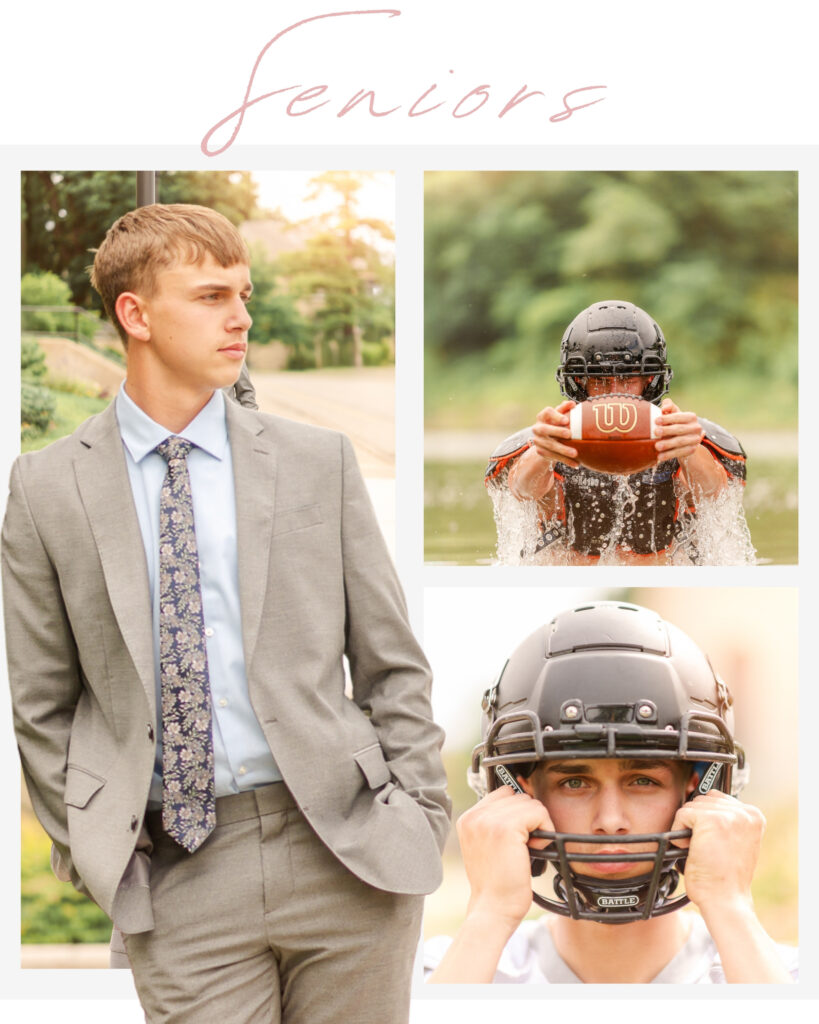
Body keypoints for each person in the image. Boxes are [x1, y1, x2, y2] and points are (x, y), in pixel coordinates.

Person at [3, 203, 450, 1023]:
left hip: (347, 851)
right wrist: (98, 853)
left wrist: (416, 814)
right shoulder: (45, 488)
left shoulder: (317, 461)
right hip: (178, 870)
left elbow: (390, 662)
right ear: (135, 314)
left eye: (243, 294)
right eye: (211, 296)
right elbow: (41, 703)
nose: (240, 317)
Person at [425, 602, 797, 984]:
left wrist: (732, 909)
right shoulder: (449, 967)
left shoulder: (784, 974)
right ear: (521, 794)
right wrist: (488, 914)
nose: (611, 821)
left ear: (696, 791)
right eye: (574, 783)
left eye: (643, 781)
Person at [485, 300, 748, 564]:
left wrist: (690, 450)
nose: (614, 393)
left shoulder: (675, 437)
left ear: (649, 379)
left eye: (627, 379)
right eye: (600, 380)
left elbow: (714, 491)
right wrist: (542, 453)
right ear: (579, 381)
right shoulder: (557, 440)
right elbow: (521, 490)